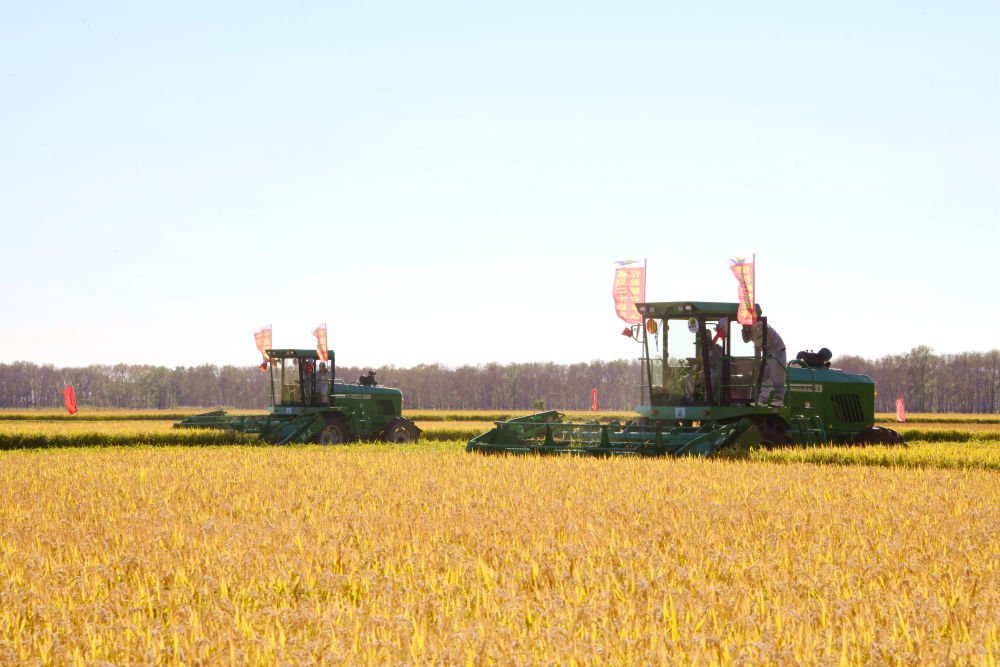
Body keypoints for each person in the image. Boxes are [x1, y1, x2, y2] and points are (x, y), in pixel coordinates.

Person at [743, 319, 787, 406]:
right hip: (767, 354)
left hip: (777, 351)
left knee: (777, 377)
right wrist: (744, 329)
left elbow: (762, 340)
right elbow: (746, 340)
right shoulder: (749, 329)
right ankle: (763, 399)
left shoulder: (759, 325)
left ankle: (779, 400)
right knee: (765, 378)